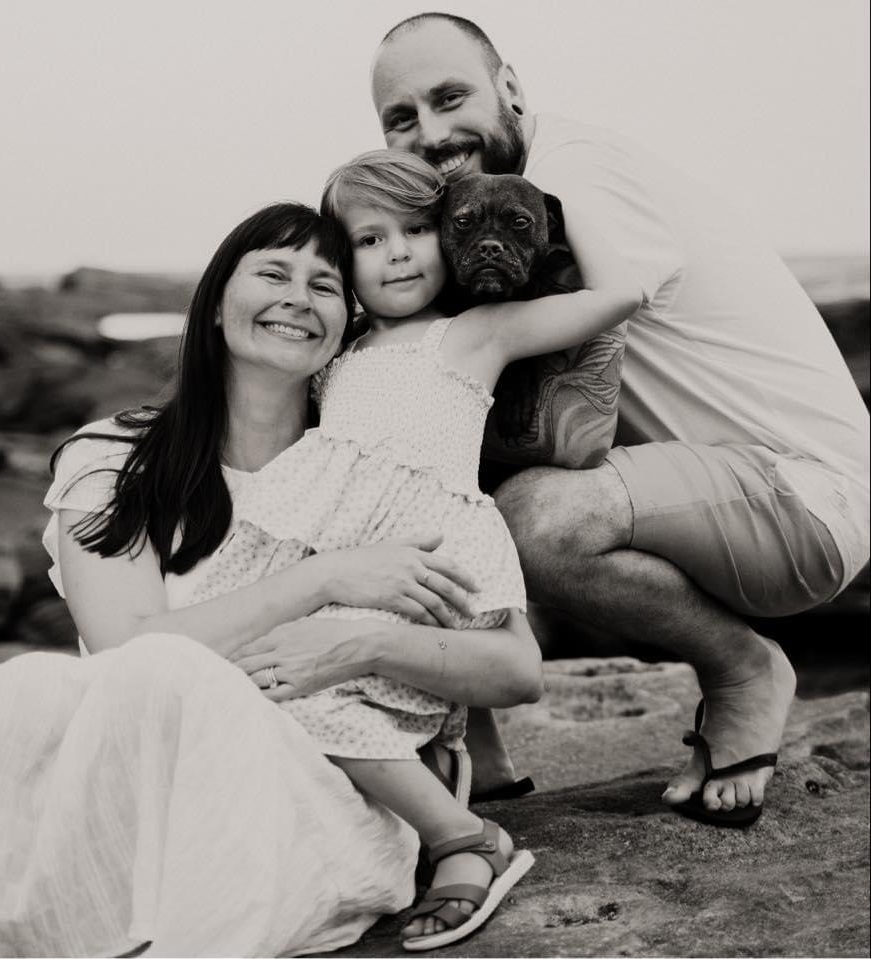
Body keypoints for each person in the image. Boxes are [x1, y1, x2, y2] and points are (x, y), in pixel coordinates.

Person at [0, 203, 545, 958]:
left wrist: (368, 645)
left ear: (350, 321)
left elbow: (515, 668)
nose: (298, 298)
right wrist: (327, 577)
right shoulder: (116, 456)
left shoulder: (382, 467)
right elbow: (125, 649)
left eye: (326, 285)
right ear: (216, 302)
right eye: (273, 273)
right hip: (130, 784)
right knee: (19, 693)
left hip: (311, 789)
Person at [369, 12, 870, 827]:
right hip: (708, 495)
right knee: (415, 475)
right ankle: (472, 740)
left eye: (449, 96)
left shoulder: (574, 173)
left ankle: (745, 671)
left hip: (803, 494)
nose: (430, 131)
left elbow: (575, 425)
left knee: (531, 511)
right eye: (401, 117)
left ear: (511, 88)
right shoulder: (516, 189)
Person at [192, 149, 639, 949]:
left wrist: (562, 228)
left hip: (432, 559)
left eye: (418, 229)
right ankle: (429, 761)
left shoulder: (475, 333)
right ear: (343, 263)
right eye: (367, 240)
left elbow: (621, 295)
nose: (396, 251)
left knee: (316, 697)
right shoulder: (341, 350)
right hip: (342, 557)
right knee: (237, 672)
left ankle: (464, 839)